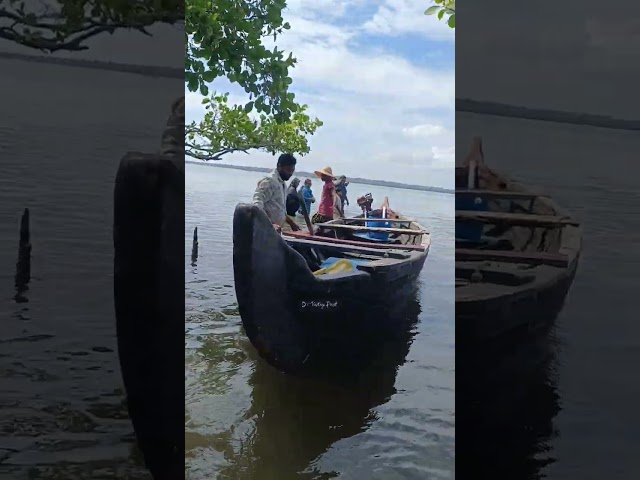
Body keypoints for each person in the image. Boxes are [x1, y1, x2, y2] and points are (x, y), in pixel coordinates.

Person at [253, 153, 301, 232]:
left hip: (275, 231)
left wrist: (291, 223)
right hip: (264, 230)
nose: (290, 173)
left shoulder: (282, 184)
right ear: (279, 166)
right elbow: (256, 204)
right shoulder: (270, 181)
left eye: (292, 171)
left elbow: (280, 209)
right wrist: (270, 224)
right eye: (288, 170)